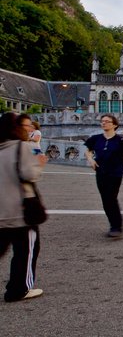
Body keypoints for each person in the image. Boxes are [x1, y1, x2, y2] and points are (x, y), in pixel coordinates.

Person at [1, 113, 47, 301]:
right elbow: (30, 174)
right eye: (25, 125)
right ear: (16, 127)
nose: (29, 128)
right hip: (21, 211)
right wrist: (39, 165)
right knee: (27, 250)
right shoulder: (22, 147)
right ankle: (19, 290)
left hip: (2, 210)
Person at [84, 114, 123, 237]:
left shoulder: (122, 141)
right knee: (105, 200)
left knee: (111, 197)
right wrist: (90, 159)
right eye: (102, 121)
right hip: (101, 172)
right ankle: (114, 224)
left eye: (107, 121)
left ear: (114, 125)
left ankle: (116, 226)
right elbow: (88, 150)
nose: (103, 123)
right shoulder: (96, 139)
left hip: (115, 173)